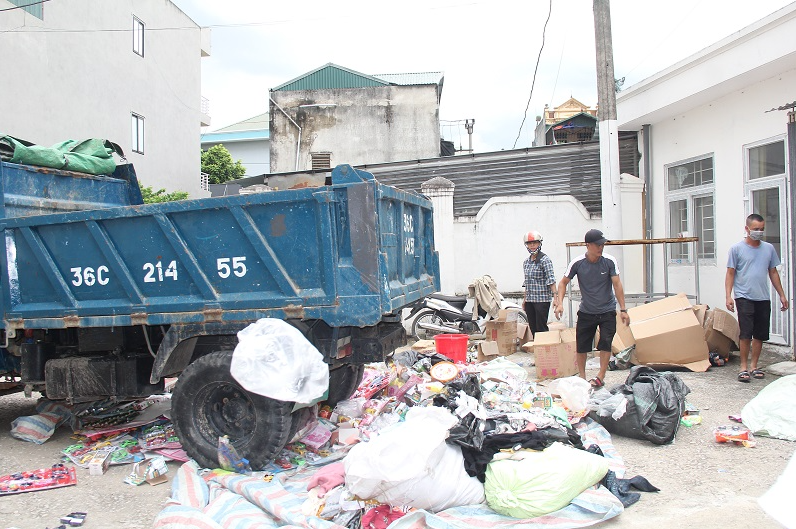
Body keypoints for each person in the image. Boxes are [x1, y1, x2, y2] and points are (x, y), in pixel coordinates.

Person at [554, 229, 629, 388]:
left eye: (602, 244)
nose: (601, 248)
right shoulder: (578, 263)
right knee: (582, 345)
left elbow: (617, 284)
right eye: (598, 245)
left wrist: (623, 310)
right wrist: (560, 303)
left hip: (607, 310)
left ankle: (600, 375)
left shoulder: (609, 261)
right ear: (588, 245)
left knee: (606, 342)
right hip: (587, 311)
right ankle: (582, 376)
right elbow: (563, 283)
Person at [725, 213, 788, 383]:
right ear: (747, 229)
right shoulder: (736, 249)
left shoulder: (768, 249)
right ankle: (743, 367)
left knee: (759, 334)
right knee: (746, 333)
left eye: (761, 229)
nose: (759, 232)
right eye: (755, 229)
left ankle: (754, 366)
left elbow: (773, 272)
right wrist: (728, 296)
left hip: (763, 297)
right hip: (744, 296)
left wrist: (782, 295)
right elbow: (730, 273)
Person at [521, 230, 557, 337]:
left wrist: (556, 298)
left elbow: (551, 280)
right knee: (533, 327)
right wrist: (524, 299)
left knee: (541, 327)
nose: (532, 246)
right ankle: (537, 349)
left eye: (534, 243)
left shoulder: (545, 260)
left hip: (542, 300)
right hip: (530, 300)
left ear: (539, 243)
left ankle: (545, 350)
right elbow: (527, 282)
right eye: (529, 243)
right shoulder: (526, 262)